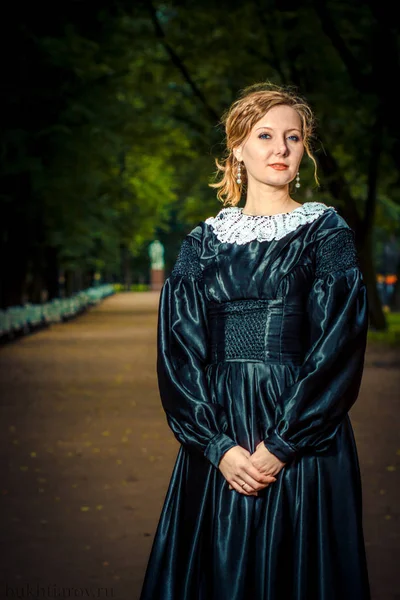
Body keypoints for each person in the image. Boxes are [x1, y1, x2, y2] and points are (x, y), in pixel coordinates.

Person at [139, 83, 371, 600]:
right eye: (265, 135)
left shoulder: (324, 231)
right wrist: (216, 446)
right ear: (237, 147)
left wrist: (284, 444)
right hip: (220, 434)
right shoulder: (202, 243)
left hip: (304, 433)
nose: (281, 148)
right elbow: (178, 355)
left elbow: (340, 345)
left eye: (294, 137)